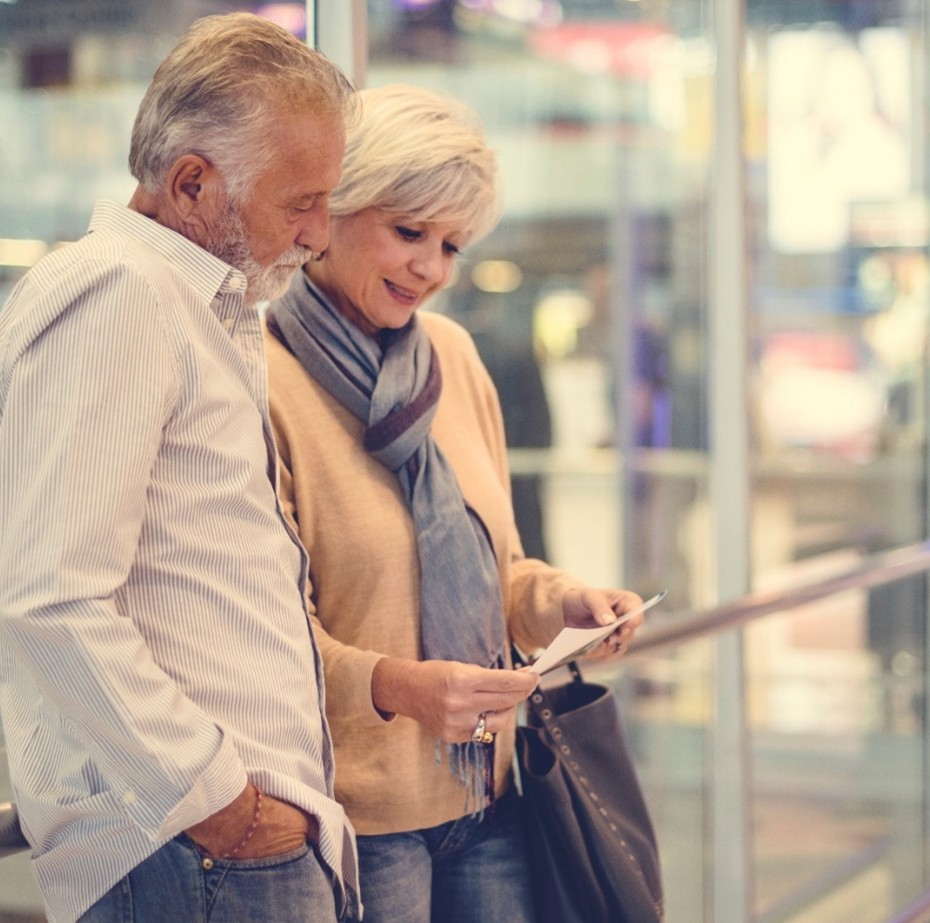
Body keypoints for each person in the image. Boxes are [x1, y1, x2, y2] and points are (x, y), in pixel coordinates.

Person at [0, 14, 359, 923]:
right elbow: (50, 596)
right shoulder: (119, 292)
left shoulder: (193, 307)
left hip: (216, 845)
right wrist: (217, 799)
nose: (319, 233)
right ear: (192, 182)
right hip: (192, 851)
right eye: (300, 201)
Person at [263, 83, 647, 923]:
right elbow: (261, 636)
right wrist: (400, 687)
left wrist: (564, 602)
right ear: (333, 207)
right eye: (409, 232)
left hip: (491, 792)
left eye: (451, 245)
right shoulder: (259, 378)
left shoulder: (454, 357)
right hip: (357, 817)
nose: (431, 269)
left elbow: (494, 569)